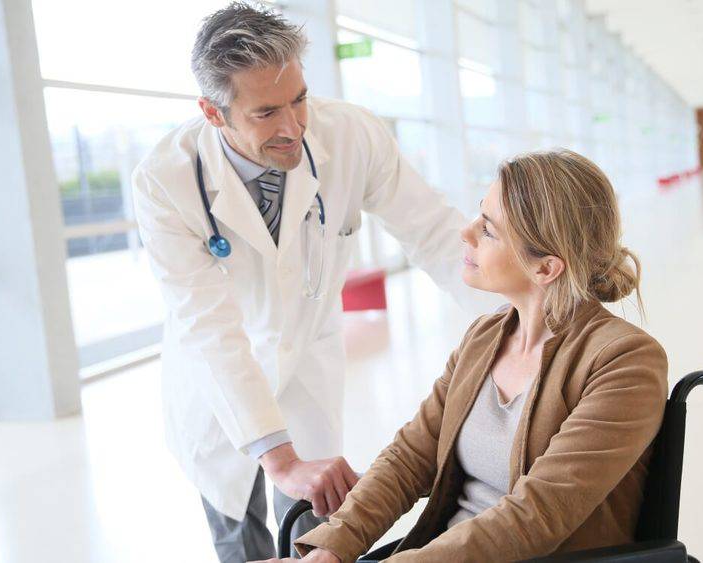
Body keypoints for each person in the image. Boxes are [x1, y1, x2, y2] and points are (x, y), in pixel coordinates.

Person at [131, 3, 496, 562]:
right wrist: (278, 458)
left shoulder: (350, 135)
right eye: (266, 113)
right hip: (218, 383)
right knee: (241, 531)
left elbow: (436, 234)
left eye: (299, 99)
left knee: (312, 534)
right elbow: (209, 325)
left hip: (306, 366)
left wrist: (522, 320)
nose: (293, 127)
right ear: (213, 112)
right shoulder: (166, 180)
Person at [269, 149, 669, 562]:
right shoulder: (485, 336)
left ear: (546, 268)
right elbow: (409, 459)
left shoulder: (624, 361)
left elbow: (536, 516)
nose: (466, 232)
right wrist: (331, 548)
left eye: (489, 230)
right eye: (479, 215)